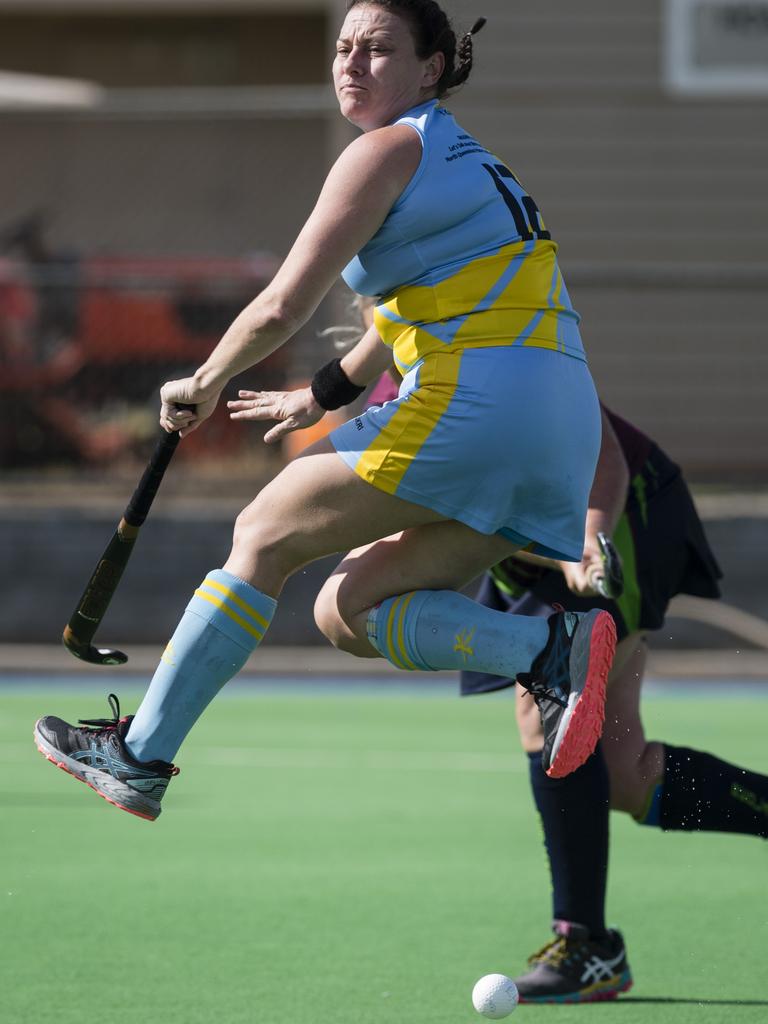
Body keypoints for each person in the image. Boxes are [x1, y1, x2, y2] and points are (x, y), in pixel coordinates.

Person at [34, 0, 616, 822]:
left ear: (432, 69)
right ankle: (547, 648)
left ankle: (141, 756)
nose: (351, 62)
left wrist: (200, 380)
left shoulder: (385, 151)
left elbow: (281, 306)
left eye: (377, 49)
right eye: (343, 47)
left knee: (265, 533)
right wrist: (321, 394)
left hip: (480, 407)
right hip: (559, 426)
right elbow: (407, 314)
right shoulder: (469, 163)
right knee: (347, 610)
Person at [459, 407, 768, 1004]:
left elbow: (602, 454)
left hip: (618, 519)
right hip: (533, 548)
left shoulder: (488, 336)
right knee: (624, 774)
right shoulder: (383, 387)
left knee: (550, 698)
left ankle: (585, 945)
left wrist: (588, 544)